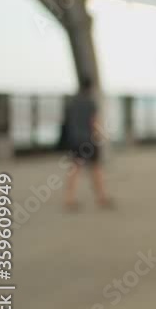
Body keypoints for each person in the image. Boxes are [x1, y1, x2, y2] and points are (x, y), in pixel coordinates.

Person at [62, 76, 113, 210]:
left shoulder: (72, 101)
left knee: (74, 169)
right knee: (96, 169)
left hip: (74, 140)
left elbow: (67, 122)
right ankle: (101, 197)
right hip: (88, 141)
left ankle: (69, 198)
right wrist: (101, 135)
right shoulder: (90, 102)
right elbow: (94, 122)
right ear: (91, 87)